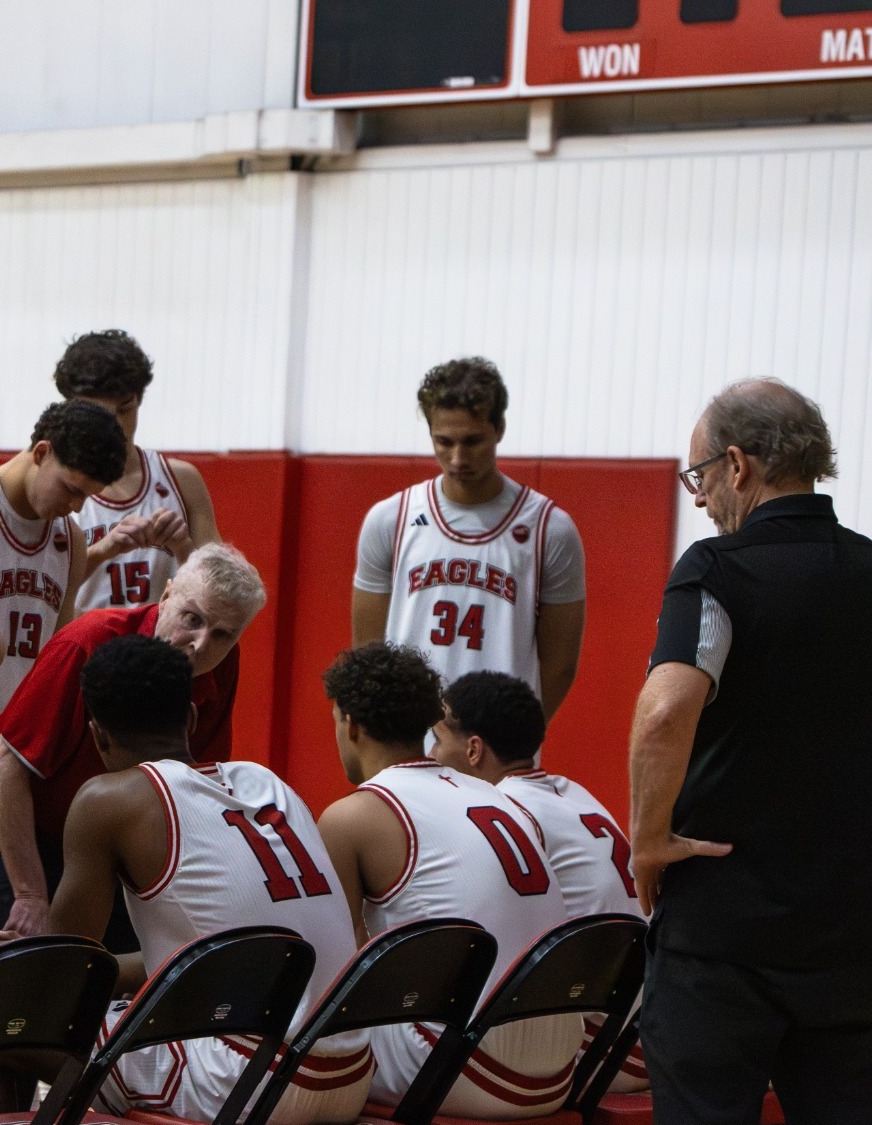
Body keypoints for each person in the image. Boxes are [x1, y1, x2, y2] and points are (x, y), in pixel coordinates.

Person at [629, 379, 872, 1123]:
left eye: (699, 476)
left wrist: (647, 841)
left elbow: (667, 710)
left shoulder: (717, 569)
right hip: (852, 935)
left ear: (738, 465)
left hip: (722, 939)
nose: (699, 498)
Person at [44, 635, 372, 1125]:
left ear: (99, 735)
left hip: (245, 1079)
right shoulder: (269, 784)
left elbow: (64, 972)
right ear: (192, 719)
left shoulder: (108, 801)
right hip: (350, 1071)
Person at [0, 544, 262, 948]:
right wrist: (31, 896)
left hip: (90, 837)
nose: (202, 645)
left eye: (223, 634)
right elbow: (4, 770)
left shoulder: (221, 663)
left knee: (121, 959)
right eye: (192, 619)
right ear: (165, 596)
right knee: (25, 966)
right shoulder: (86, 642)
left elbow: (194, 782)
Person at [316, 643, 578, 1119]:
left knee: (305, 1054)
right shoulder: (501, 798)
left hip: (471, 1070)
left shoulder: (353, 815)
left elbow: (339, 977)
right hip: (562, 1066)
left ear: (350, 723)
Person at [428, 670, 649, 1095]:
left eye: (438, 740)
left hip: (606, 1050)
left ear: (474, 750)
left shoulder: (503, 808)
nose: (433, 755)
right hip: (648, 1033)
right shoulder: (574, 793)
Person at [350, 358, 586, 719]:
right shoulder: (390, 520)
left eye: (473, 441)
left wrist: (514, 739)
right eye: (444, 442)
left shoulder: (549, 528)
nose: (458, 457)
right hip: (410, 741)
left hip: (497, 750)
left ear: (500, 428)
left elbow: (559, 666)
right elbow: (368, 652)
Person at [0, 399, 126, 747]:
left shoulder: (71, 539)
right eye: (71, 489)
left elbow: (56, 659)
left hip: (11, 746)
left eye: (87, 498)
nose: (76, 507)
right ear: (41, 453)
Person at [52, 330, 220, 614]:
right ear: (71, 408)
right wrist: (101, 551)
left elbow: (219, 593)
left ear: (139, 400)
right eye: (99, 412)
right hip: (86, 651)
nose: (114, 424)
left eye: (125, 409)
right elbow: (43, 591)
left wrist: (183, 547)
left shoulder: (181, 480)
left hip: (160, 650)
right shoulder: (52, 484)